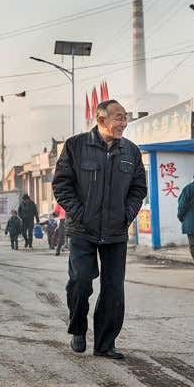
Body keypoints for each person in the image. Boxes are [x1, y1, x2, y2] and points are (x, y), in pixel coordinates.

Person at [52, 99, 147, 360]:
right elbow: (61, 185)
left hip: (116, 231)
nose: (123, 123)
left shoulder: (131, 151)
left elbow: (139, 188)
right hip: (83, 228)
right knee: (81, 280)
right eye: (118, 117)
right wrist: (80, 214)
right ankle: (78, 328)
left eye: (125, 117)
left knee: (114, 289)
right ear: (101, 119)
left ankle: (105, 343)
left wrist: (126, 215)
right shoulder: (76, 146)